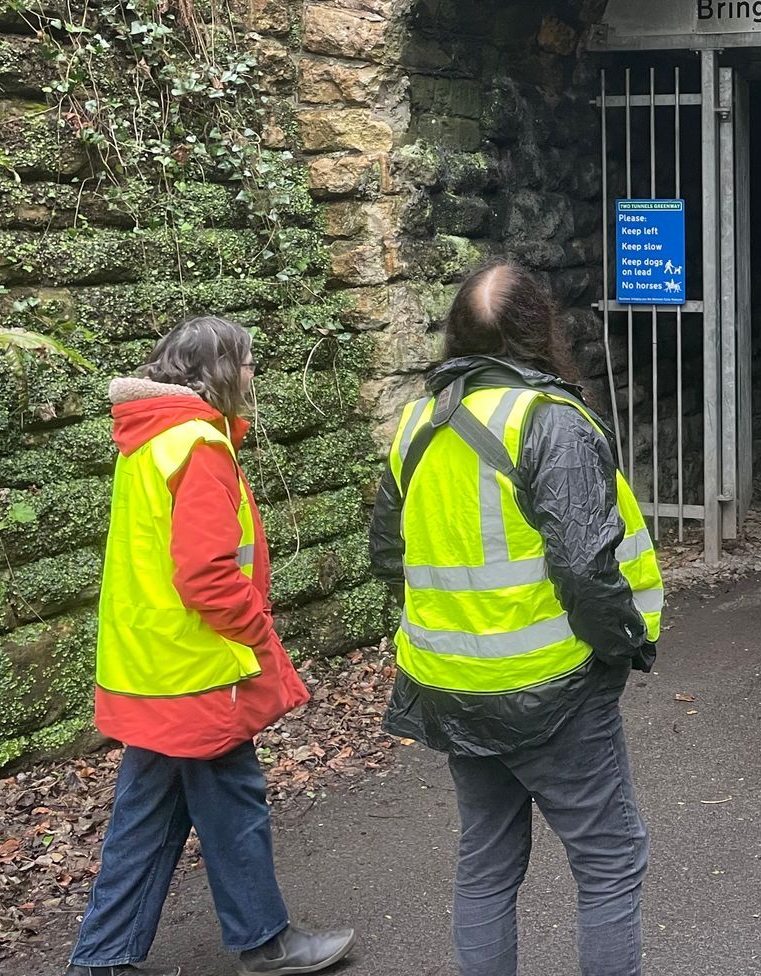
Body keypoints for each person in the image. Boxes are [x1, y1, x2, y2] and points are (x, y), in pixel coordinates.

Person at [369, 263, 664, 976]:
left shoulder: (415, 421)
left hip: (449, 685)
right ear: (542, 330)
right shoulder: (550, 421)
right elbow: (586, 568)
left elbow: (389, 556)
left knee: (487, 862)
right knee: (609, 860)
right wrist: (621, 649)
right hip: (551, 688)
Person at [67, 317, 354, 976]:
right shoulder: (197, 446)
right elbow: (207, 574)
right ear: (222, 371)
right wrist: (257, 630)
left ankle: (103, 959)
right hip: (197, 668)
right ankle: (266, 943)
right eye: (249, 363)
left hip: (152, 663)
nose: (254, 375)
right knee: (233, 804)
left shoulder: (150, 441)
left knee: (150, 817)